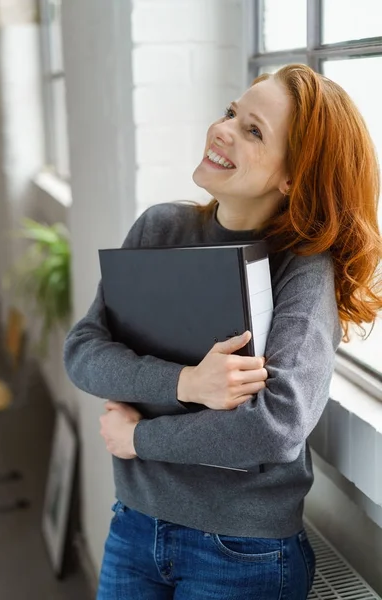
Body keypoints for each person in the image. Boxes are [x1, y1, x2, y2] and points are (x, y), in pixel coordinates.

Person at [64, 64, 382, 600]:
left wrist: (138, 439)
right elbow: (84, 350)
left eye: (253, 130)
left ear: (292, 177)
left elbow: (276, 426)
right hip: (136, 524)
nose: (222, 128)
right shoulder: (160, 228)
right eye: (232, 112)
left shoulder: (304, 269)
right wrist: (187, 383)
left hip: (241, 553)